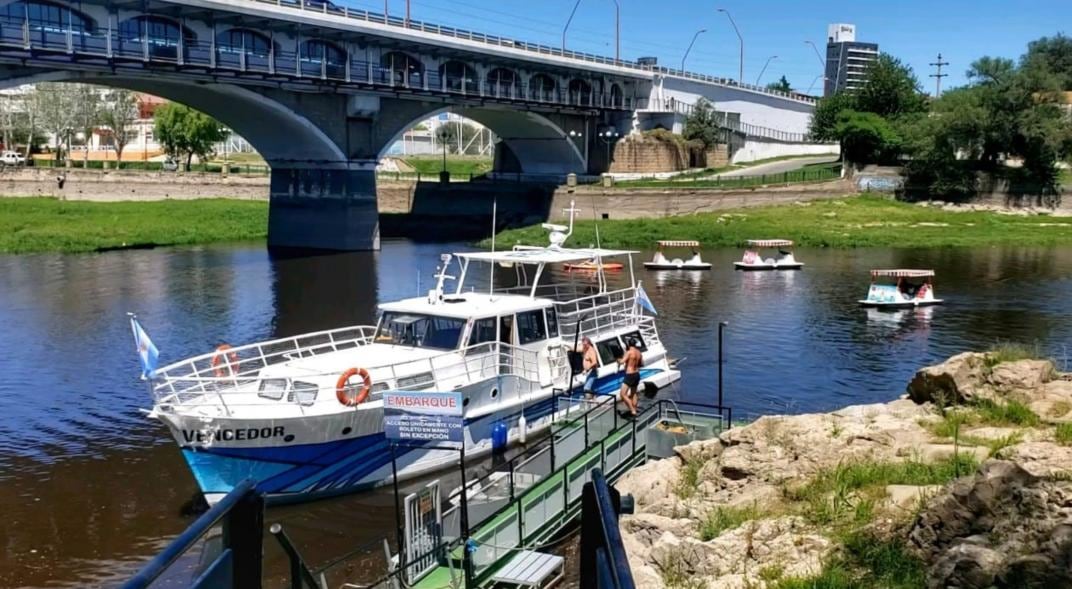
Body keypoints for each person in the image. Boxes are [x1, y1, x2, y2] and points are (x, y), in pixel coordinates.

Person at [618, 339, 642, 416]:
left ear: (628, 344)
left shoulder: (629, 352)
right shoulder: (639, 353)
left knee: (623, 394)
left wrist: (617, 360)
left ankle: (632, 410)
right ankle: (634, 409)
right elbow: (641, 364)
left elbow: (622, 362)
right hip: (637, 374)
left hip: (630, 375)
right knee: (633, 393)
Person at [580, 336, 599, 401]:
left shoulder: (591, 350)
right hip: (589, 373)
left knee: (586, 388)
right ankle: (595, 400)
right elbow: (578, 349)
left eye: (585, 344)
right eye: (583, 344)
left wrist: (586, 369)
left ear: (588, 343)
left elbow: (594, 362)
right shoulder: (586, 349)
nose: (584, 345)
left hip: (592, 372)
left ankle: (590, 402)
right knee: (590, 388)